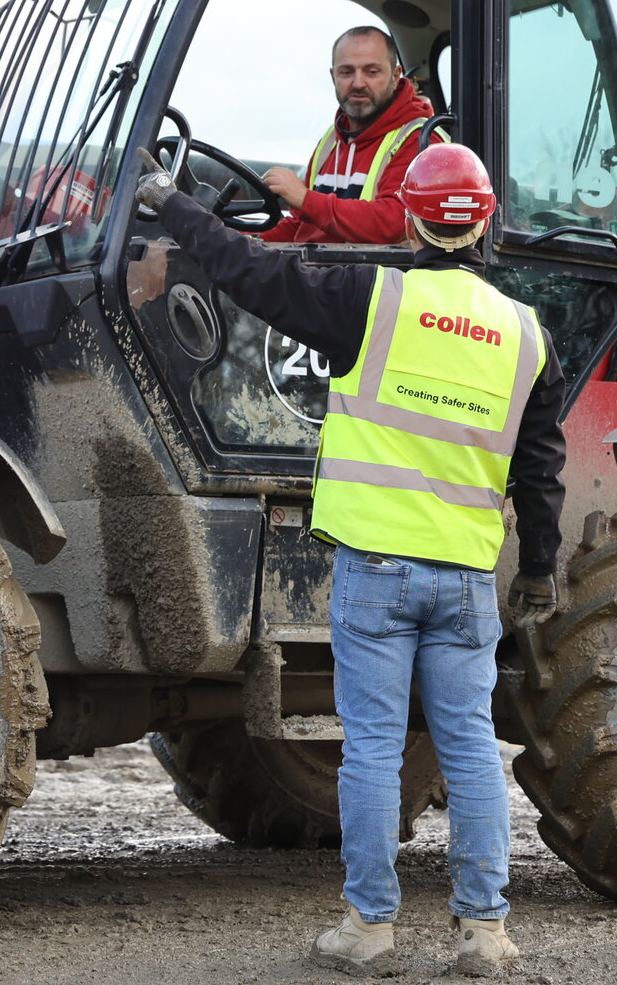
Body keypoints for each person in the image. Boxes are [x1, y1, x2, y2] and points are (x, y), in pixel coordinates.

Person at [135, 142, 567, 977]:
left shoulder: (373, 299)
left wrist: (169, 199)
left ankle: (369, 929)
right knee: (470, 747)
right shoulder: (526, 335)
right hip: (466, 579)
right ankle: (485, 932)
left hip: (377, 572)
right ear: (485, 225)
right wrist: (539, 569)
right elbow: (541, 472)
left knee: (372, 750)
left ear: (409, 220)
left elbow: (248, 269)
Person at [261, 25, 439, 245]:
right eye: (346, 72)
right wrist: (245, 241)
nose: (358, 83)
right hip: (315, 266)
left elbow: (395, 222)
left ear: (395, 76)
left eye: (371, 72)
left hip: (372, 269)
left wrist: (305, 199)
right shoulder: (331, 140)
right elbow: (302, 224)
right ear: (333, 76)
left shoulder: (421, 141)